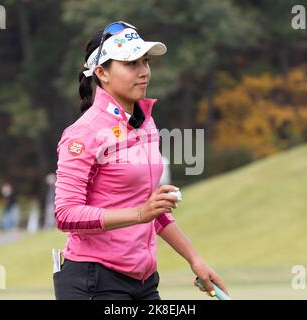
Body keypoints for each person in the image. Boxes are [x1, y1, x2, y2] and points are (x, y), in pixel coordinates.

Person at [54, 21, 228, 300]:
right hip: (94, 281)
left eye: (145, 61)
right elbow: (66, 215)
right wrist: (140, 214)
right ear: (102, 73)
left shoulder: (146, 124)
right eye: (131, 63)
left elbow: (153, 211)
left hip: (144, 282)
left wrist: (194, 259)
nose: (144, 71)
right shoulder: (83, 133)